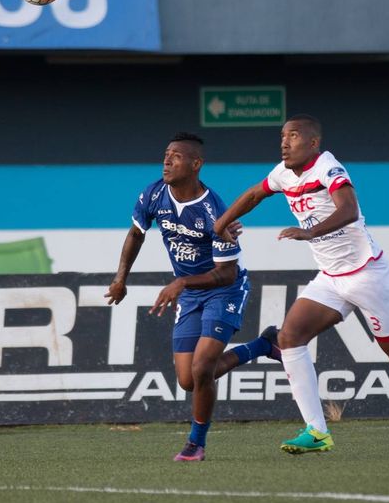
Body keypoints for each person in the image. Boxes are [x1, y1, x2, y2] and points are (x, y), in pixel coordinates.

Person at [213, 114, 389, 454]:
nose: (284, 142)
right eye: (283, 136)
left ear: (313, 143)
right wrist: (220, 224)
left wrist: (310, 232)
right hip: (331, 278)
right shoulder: (283, 173)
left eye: (293, 136)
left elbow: (349, 209)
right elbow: (255, 194)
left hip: (368, 275)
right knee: (290, 337)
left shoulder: (327, 168)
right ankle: (317, 431)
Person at [105, 132, 280, 462]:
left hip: (224, 290)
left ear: (196, 164)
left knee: (202, 368)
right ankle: (263, 345)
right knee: (188, 380)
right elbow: (136, 234)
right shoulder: (154, 193)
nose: (167, 161)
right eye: (166, 154)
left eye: (176, 156)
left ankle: (195, 444)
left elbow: (226, 274)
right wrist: (120, 279)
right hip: (190, 293)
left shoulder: (215, 210)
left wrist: (182, 282)